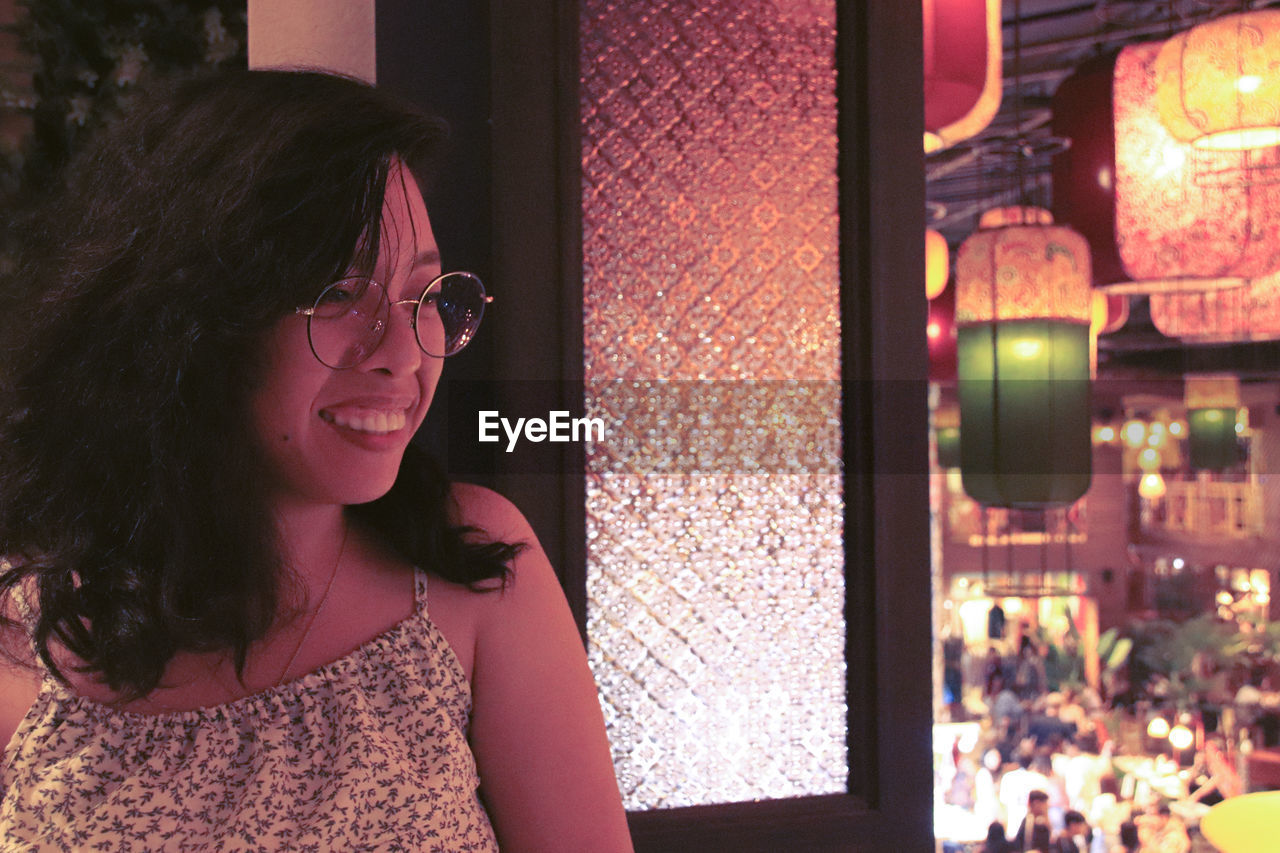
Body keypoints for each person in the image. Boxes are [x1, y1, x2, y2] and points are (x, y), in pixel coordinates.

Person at [0, 69, 633, 851]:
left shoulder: (472, 576)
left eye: (424, 293)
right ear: (191, 322)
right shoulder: (25, 632)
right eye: (338, 292)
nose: (406, 353)